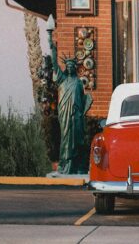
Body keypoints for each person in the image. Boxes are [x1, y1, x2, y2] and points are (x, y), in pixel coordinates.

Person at [48, 29, 93, 174]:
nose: (69, 67)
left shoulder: (79, 83)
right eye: (67, 66)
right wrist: (51, 43)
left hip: (77, 116)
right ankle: (65, 164)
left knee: (78, 140)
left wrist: (81, 112)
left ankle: (78, 166)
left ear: (75, 68)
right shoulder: (61, 79)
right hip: (64, 115)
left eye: (72, 66)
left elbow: (84, 99)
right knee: (66, 139)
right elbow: (54, 64)